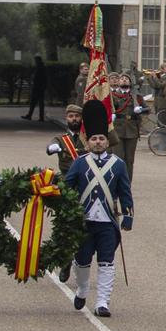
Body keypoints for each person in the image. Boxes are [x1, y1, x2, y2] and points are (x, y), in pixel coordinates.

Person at [59, 125, 134, 317]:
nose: (98, 142)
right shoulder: (80, 163)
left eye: (101, 138)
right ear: (88, 142)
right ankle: (83, 289)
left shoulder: (118, 164)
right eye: (94, 139)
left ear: (108, 142)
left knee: (106, 261)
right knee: (82, 261)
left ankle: (102, 302)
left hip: (108, 222)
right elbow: (67, 186)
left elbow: (125, 191)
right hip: (84, 221)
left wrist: (128, 215)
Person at [23, 55, 48, 120]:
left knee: (34, 102)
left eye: (36, 60)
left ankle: (31, 115)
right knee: (39, 103)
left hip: (38, 87)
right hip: (40, 87)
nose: (35, 62)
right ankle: (40, 116)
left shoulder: (40, 68)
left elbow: (39, 78)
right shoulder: (41, 67)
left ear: (38, 60)